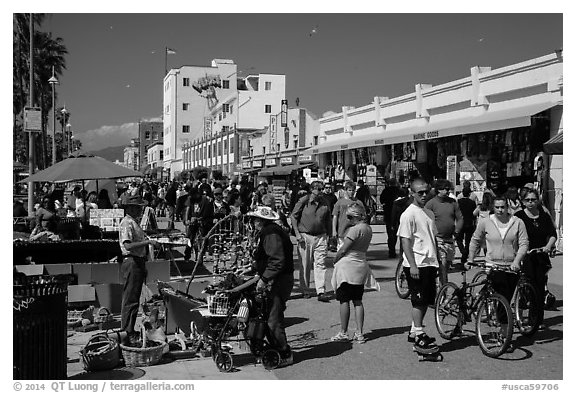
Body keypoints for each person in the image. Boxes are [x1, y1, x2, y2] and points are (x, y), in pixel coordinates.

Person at [467, 196, 529, 350]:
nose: (501, 210)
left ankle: (502, 328)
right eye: (497, 207)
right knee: (502, 299)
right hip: (493, 264)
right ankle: (504, 334)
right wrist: (470, 258)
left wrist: (516, 261)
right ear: (493, 207)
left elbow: (524, 243)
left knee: (506, 298)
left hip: (511, 266)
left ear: (508, 207)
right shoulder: (486, 221)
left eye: (503, 207)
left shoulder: (517, 222)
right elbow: (475, 239)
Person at [247, 205, 295, 367]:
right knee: (268, 316)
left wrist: (264, 278)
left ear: (261, 220)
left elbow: (276, 260)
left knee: (273, 319)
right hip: (277, 278)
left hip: (279, 280)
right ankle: (274, 349)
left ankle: (284, 353)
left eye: (255, 219)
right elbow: (268, 258)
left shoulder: (271, 233)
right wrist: (254, 268)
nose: (253, 222)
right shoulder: (270, 231)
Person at [398, 178, 439, 351]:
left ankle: (414, 330)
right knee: (418, 301)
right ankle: (419, 334)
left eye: (426, 191)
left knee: (427, 299)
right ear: (412, 193)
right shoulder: (409, 214)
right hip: (417, 264)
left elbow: (432, 238)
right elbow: (405, 241)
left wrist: (439, 261)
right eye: (419, 192)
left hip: (430, 262)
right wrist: (412, 265)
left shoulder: (428, 213)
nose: (423, 195)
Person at [330, 203, 379, 343]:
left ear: (355, 216)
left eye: (350, 217)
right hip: (361, 265)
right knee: (358, 300)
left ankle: (344, 332)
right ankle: (359, 332)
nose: (348, 220)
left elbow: (344, 249)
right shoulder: (368, 229)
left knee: (344, 300)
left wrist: (335, 259)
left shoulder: (354, 230)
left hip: (348, 267)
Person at [118, 203, 161, 344]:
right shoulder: (127, 223)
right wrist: (147, 242)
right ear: (130, 209)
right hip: (132, 262)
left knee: (134, 298)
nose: (139, 210)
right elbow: (128, 246)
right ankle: (126, 331)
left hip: (138, 261)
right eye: (136, 208)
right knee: (130, 298)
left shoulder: (133, 222)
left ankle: (129, 329)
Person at [514, 189, 557, 329]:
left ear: (538, 200)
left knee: (539, 288)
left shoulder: (543, 216)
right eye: (528, 200)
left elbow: (552, 234)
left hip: (540, 256)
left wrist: (548, 246)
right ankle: (518, 314)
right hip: (525, 256)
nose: (531, 202)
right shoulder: (518, 217)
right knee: (526, 287)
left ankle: (536, 318)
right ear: (523, 201)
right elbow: (512, 235)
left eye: (533, 199)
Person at [290, 180, 332, 301]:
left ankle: (321, 291)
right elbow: (293, 216)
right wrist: (297, 234)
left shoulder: (325, 202)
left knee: (320, 264)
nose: (321, 191)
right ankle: (305, 290)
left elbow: (328, 219)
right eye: (319, 189)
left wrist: (330, 235)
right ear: (312, 190)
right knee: (305, 264)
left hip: (321, 236)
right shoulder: (304, 201)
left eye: (322, 189)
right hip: (305, 236)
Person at [424, 179, 464, 285]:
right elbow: (424, 220)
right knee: (443, 265)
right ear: (438, 189)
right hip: (438, 240)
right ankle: (443, 291)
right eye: (445, 189)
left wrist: (457, 231)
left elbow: (460, 218)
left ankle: (440, 284)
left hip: (450, 239)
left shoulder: (453, 203)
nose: (447, 191)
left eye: (448, 189)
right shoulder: (431, 204)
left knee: (447, 265)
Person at [183, 187, 214, 262]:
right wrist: (187, 220)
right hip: (193, 221)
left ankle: (202, 254)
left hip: (202, 220)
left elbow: (210, 209)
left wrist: (204, 219)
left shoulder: (205, 199)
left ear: (197, 194)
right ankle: (187, 255)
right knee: (189, 237)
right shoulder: (190, 199)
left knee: (204, 237)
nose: (192, 197)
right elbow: (187, 209)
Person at [332, 181, 364, 250]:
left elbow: (363, 217)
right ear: (345, 190)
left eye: (353, 190)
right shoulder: (340, 202)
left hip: (354, 232)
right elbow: (335, 216)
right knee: (341, 252)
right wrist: (334, 230)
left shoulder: (358, 202)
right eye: (349, 190)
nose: (351, 192)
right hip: (342, 232)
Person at [380, 178, 402, 258]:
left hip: (388, 214)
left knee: (390, 234)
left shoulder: (386, 190)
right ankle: (394, 249)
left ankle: (391, 250)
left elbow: (381, 200)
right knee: (396, 233)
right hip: (398, 215)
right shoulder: (399, 191)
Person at [456, 187, 477, 263]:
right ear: (469, 194)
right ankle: (464, 256)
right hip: (469, 223)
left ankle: (463, 251)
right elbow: (474, 214)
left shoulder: (458, 202)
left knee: (458, 239)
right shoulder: (472, 202)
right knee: (468, 241)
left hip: (460, 223)